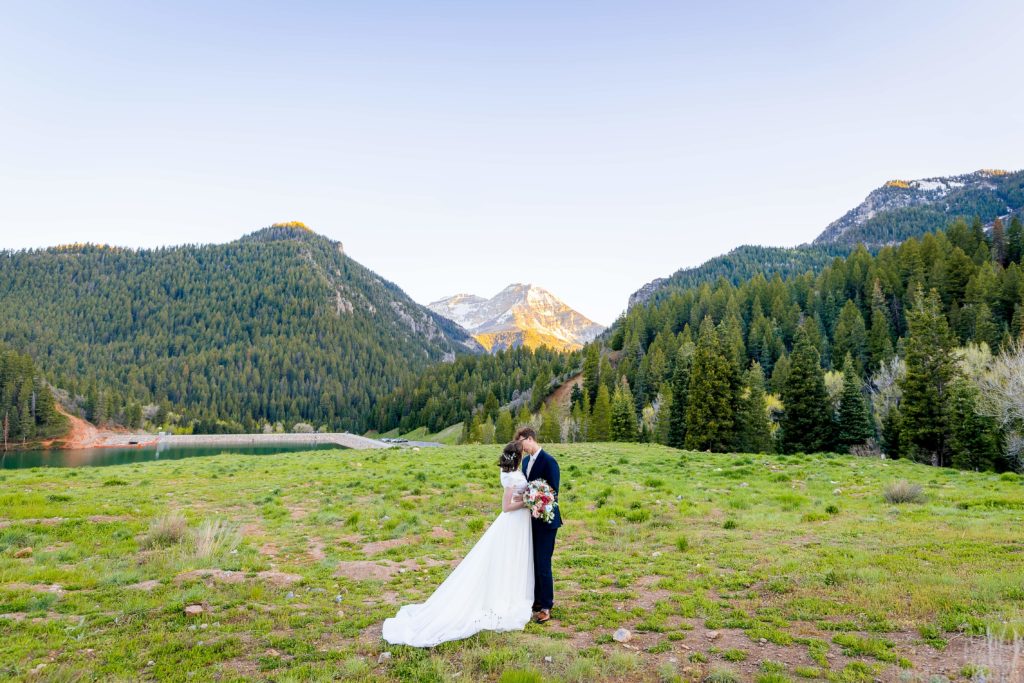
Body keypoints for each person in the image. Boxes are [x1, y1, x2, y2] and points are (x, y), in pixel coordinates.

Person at [381, 441, 534, 647]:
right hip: (512, 521)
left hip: (520, 523)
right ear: (517, 456)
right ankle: (503, 598)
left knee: (514, 558)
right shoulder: (510, 476)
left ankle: (513, 593)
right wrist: (527, 502)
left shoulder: (515, 472)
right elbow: (506, 507)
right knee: (505, 557)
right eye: (522, 453)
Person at [515, 426, 562, 624]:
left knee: (543, 562)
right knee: (532, 561)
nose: (521, 447)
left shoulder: (549, 461)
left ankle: (546, 605)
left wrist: (536, 501)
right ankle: (535, 599)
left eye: (522, 442)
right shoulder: (525, 462)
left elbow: (553, 493)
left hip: (546, 520)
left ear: (530, 438)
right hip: (530, 520)